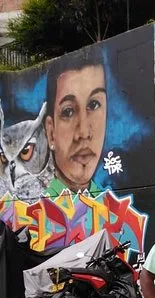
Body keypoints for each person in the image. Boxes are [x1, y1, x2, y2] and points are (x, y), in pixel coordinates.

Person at [44, 46, 106, 196]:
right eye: (68, 112)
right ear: (51, 133)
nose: (83, 132)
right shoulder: (38, 204)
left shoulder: (108, 203)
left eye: (94, 104)